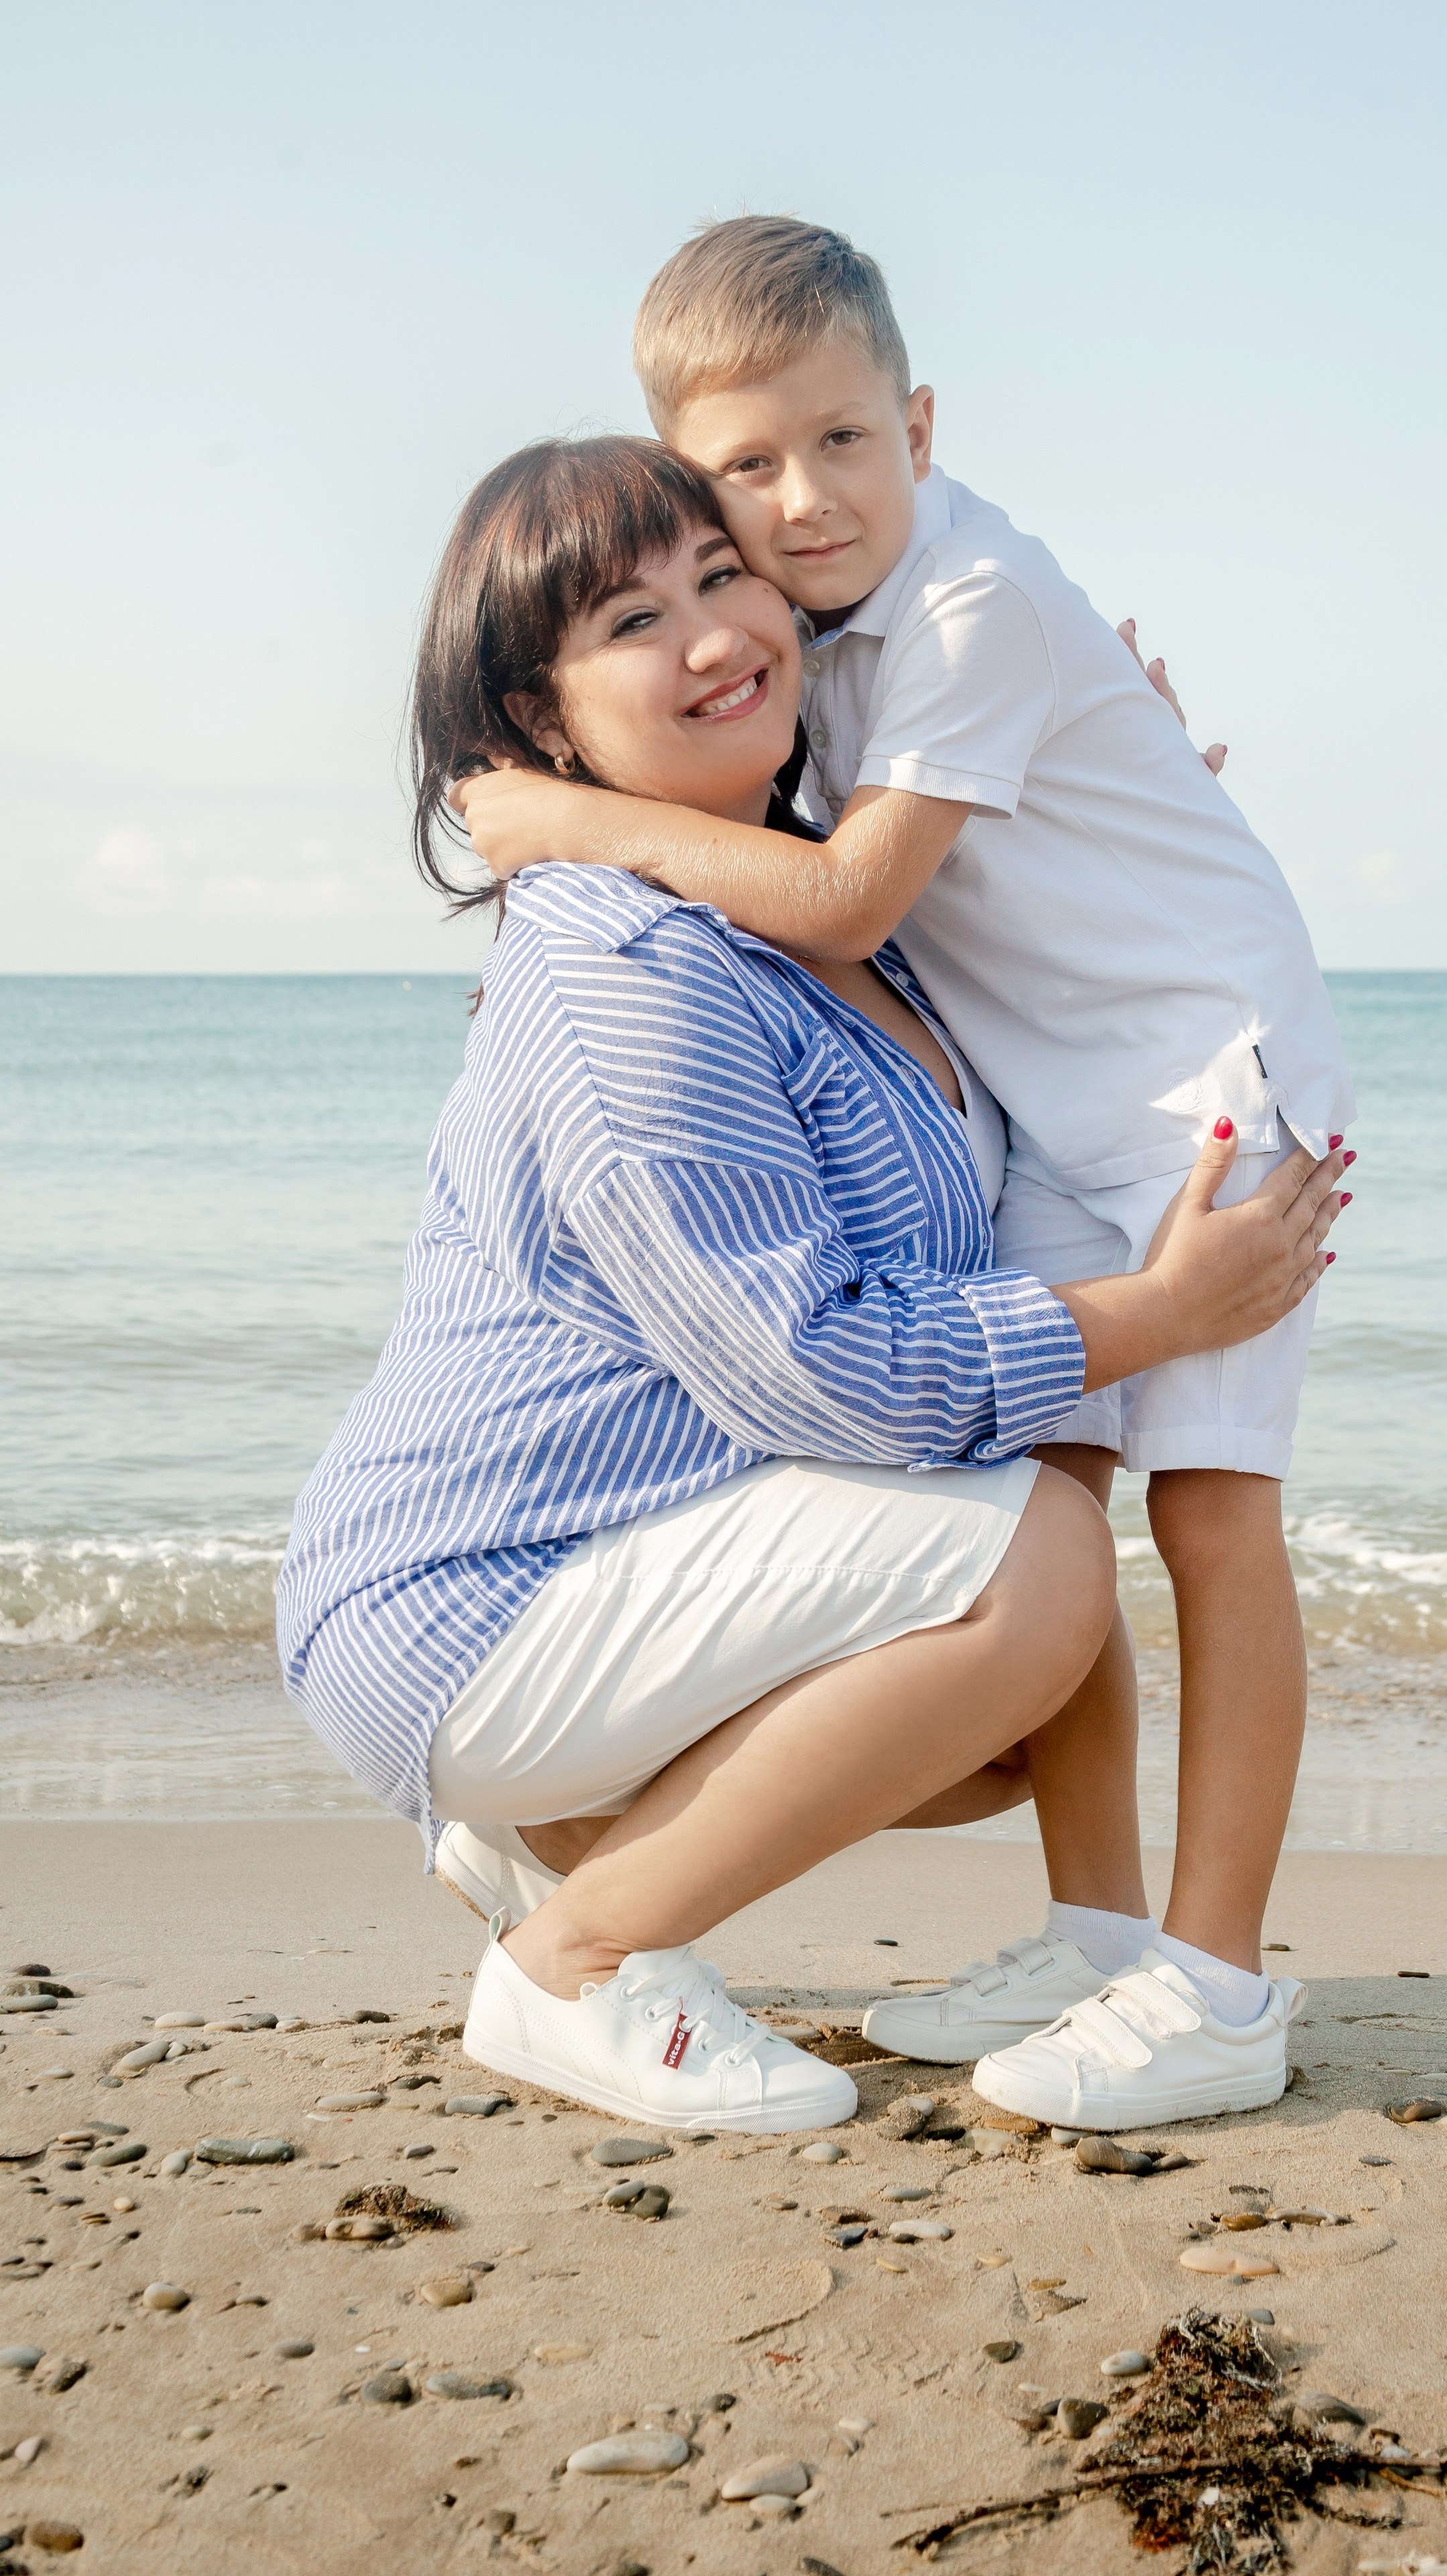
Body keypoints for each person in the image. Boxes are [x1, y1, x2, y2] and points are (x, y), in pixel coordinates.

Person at [276, 434, 1342, 2135]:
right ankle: (579, 1953)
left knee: (1017, 1695)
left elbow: (1023, 906)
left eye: (723, 576)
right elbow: (814, 1367)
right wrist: (1156, 1314)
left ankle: (557, 1838)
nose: (713, 633)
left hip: (629, 1554)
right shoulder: (628, 964)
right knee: (1029, 1557)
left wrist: (1089, 760)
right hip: (473, 1596)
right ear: (545, 723)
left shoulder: (820, 908)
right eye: (634, 619)